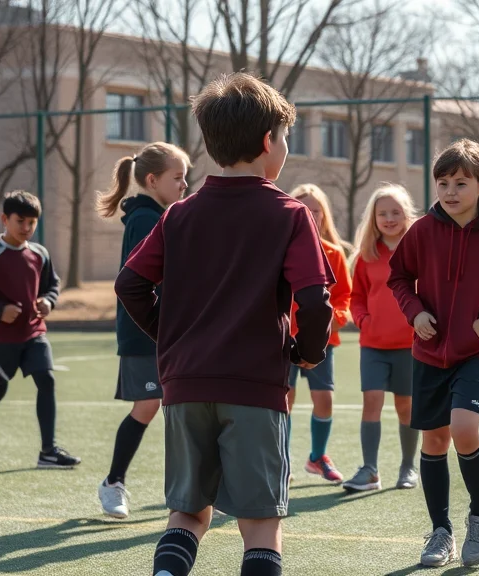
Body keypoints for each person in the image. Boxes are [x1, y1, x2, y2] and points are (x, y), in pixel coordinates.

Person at [115, 72, 334, 576]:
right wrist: (308, 350)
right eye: (283, 137)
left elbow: (129, 285)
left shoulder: (178, 215)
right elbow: (314, 299)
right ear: (267, 142)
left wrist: (170, 338)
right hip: (255, 385)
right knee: (260, 523)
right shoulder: (289, 214)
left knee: (187, 513)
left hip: (185, 382)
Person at [388, 139, 479, 568]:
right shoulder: (421, 231)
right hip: (429, 352)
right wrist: (414, 313)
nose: (450, 191)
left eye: (461, 182)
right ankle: (441, 531)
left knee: (464, 428)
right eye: (443, 183)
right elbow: (399, 278)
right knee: (434, 440)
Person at [96, 141, 192, 519]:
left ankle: (195, 492)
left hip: (172, 332)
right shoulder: (145, 220)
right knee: (149, 405)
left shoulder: (161, 216)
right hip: (146, 332)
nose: (184, 184)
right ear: (153, 180)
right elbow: (143, 281)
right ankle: (113, 483)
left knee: (182, 409)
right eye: (177, 177)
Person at [0, 190, 81, 470]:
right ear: (5, 219)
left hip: (35, 333)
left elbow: (52, 284)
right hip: (1, 338)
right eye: (20, 221)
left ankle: (48, 451)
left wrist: (49, 301)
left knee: (46, 381)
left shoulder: (40, 253)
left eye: (32, 223)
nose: (26, 228)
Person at [343, 184, 421, 493]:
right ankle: (370, 471)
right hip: (373, 346)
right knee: (371, 403)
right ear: (373, 218)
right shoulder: (366, 256)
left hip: (410, 346)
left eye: (395, 212)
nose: (389, 218)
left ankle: (407, 467)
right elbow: (356, 296)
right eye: (382, 213)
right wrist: (363, 320)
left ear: (406, 215)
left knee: (406, 408)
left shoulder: (418, 251)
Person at [285, 184, 352, 485]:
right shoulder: (279, 250)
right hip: (283, 341)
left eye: (316, 211)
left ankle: (317, 457)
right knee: (282, 402)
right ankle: (280, 462)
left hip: (321, 342)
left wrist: (336, 318)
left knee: (323, 399)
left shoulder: (334, 254)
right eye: (304, 210)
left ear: (324, 216)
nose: (311, 216)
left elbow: (344, 298)